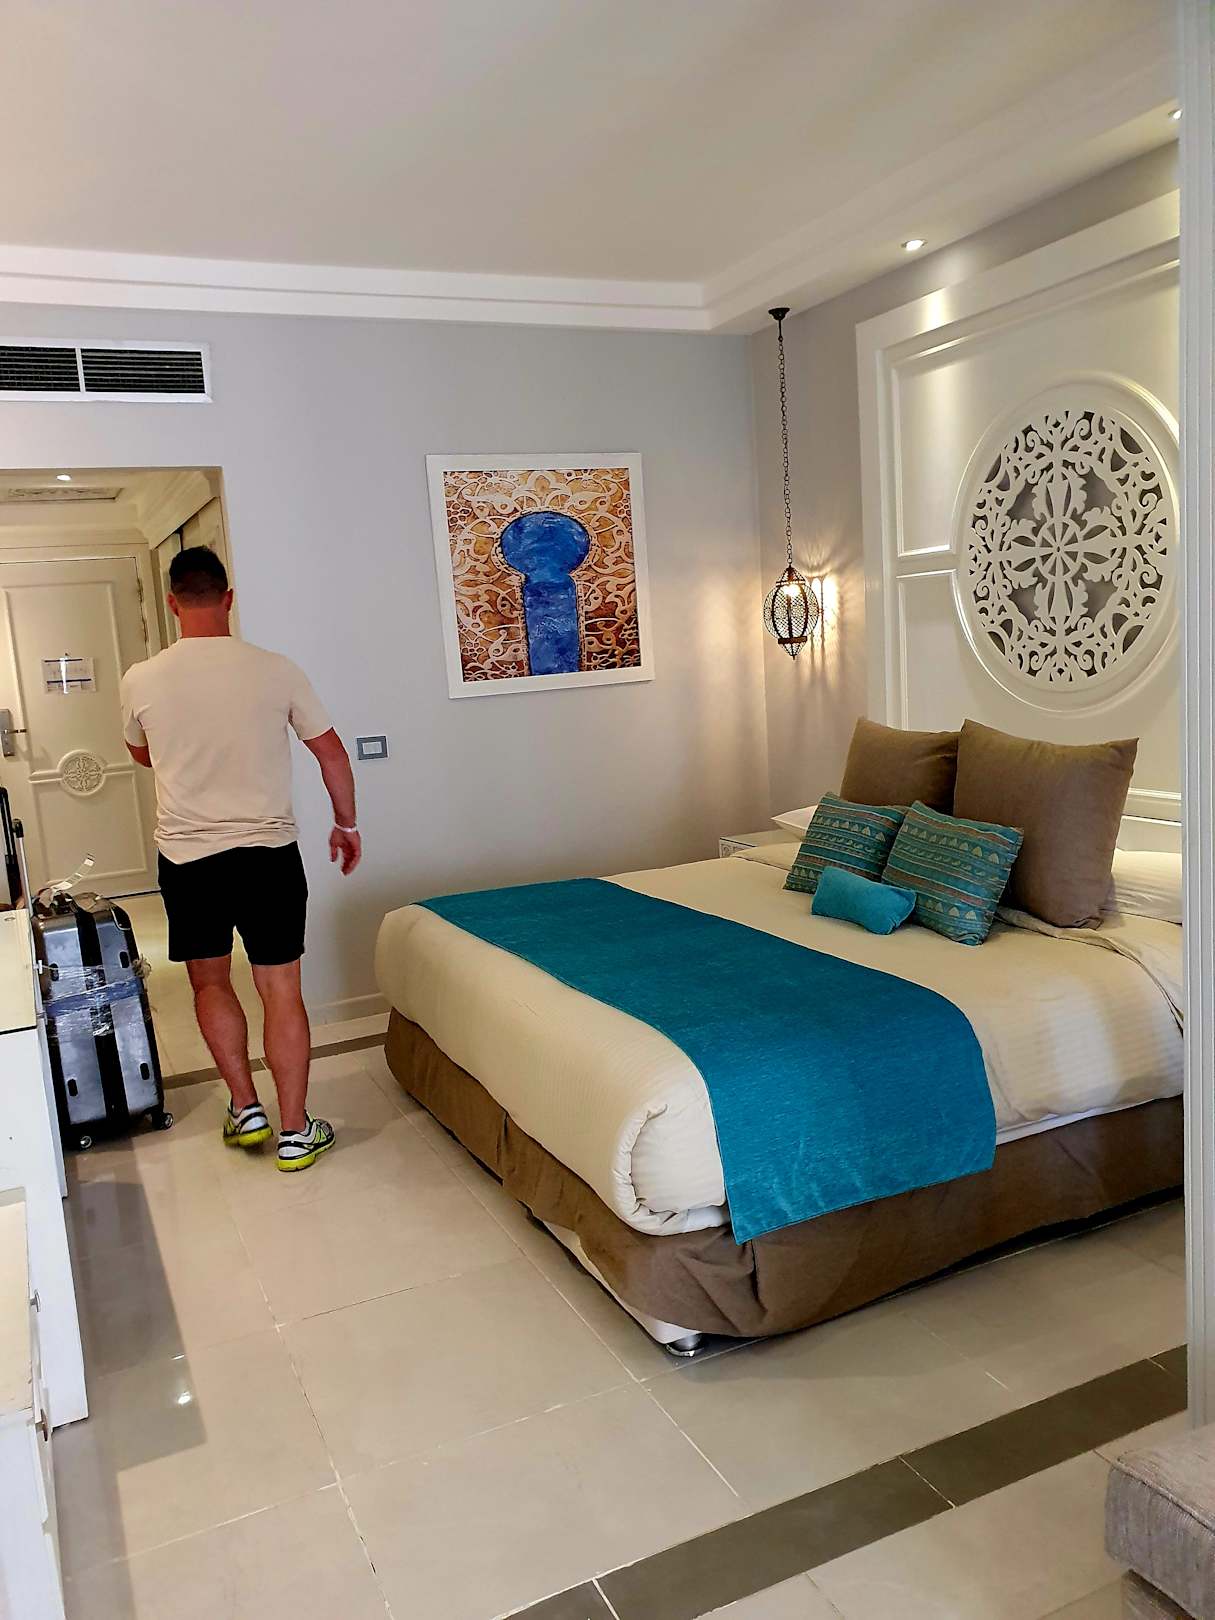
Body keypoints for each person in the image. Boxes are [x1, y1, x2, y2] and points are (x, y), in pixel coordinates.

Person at [120, 545, 361, 1171]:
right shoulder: (276, 670)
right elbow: (332, 753)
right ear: (228, 598)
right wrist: (345, 824)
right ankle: (295, 1131)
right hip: (267, 855)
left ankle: (246, 1107)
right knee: (280, 989)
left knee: (209, 981)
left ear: (172, 603)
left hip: (187, 858)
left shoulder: (141, 678)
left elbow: (142, 754)